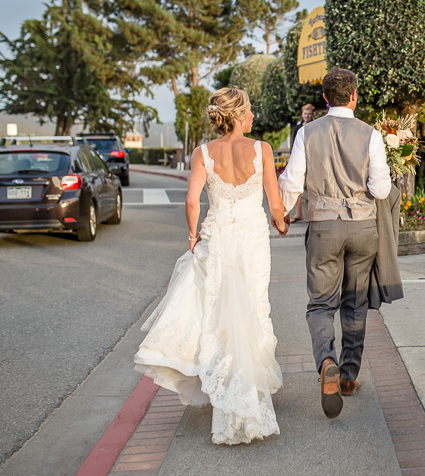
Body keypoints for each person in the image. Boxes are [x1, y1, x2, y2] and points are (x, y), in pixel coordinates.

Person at [134, 87, 288, 445]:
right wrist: (280, 223)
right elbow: (275, 203)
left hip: (217, 238)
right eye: (249, 110)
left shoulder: (202, 153)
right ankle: (248, 388)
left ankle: (231, 387)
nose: (253, 116)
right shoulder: (262, 150)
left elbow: (192, 201)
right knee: (252, 309)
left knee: (218, 314)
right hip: (251, 240)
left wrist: (192, 235)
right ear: (237, 114)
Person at [278, 68, 391, 419]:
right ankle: (348, 376)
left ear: (325, 98)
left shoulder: (307, 132)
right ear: (354, 95)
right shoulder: (371, 134)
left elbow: (293, 182)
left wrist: (281, 213)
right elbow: (381, 189)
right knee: (355, 305)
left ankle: (326, 361)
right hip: (362, 228)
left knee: (320, 304)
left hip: (323, 225)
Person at [289, 103, 315, 222]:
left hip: (313, 159)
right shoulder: (298, 127)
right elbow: (294, 144)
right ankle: (298, 213)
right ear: (302, 114)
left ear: (312, 114)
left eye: (309, 114)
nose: (307, 115)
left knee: (312, 187)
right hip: (300, 160)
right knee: (298, 186)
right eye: (305, 113)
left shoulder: (315, 126)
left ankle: (312, 214)